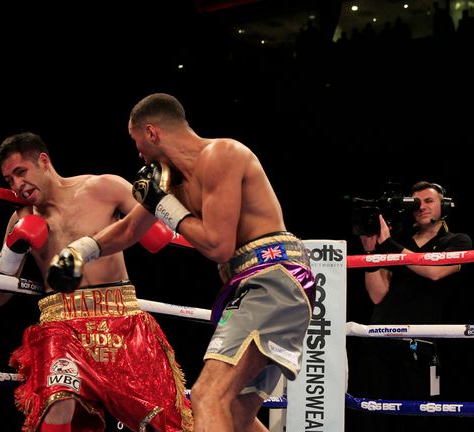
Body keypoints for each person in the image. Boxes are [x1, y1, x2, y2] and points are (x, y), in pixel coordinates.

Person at [47, 93, 316, 432]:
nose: (138, 153)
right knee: (233, 413)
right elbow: (130, 228)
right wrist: (80, 251)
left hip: (273, 278)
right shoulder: (172, 186)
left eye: (136, 141)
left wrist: (166, 206)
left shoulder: (221, 154)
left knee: (206, 396)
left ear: (151, 133)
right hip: (252, 287)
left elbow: (218, 245)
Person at [0, 131, 193, 432]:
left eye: (21, 173)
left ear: (43, 161)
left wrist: (156, 222)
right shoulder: (22, 216)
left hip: (122, 320)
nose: (17, 186)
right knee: (58, 400)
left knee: (166, 421)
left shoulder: (104, 187)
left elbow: (158, 228)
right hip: (62, 326)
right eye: (9, 181)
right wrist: (13, 246)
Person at [357, 181, 472, 432]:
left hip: (419, 343)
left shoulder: (457, 241)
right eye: (416, 202)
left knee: (416, 416)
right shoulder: (399, 240)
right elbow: (378, 295)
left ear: (445, 206)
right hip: (380, 338)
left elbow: (434, 272)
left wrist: (391, 247)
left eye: (429, 201)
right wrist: (370, 254)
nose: (422, 207)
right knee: (373, 414)